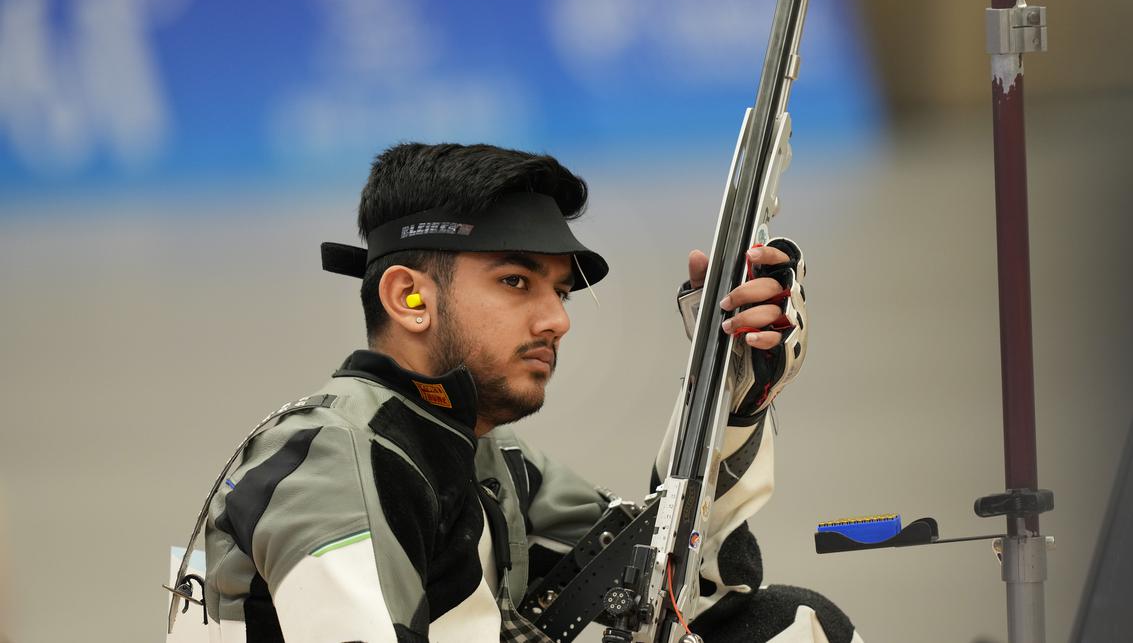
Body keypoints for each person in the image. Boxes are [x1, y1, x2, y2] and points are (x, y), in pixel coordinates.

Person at [200, 143, 861, 642]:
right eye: (517, 281)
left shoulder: (477, 454)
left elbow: (684, 590)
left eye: (561, 291)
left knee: (791, 627)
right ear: (409, 296)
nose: (557, 319)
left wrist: (734, 393)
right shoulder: (338, 463)